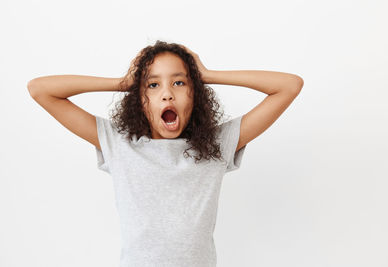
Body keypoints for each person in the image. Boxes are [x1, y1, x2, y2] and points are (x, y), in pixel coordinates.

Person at [27, 40, 304, 267]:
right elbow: (40, 90)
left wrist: (207, 75)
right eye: (153, 84)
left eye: (180, 83)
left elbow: (289, 86)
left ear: (196, 95)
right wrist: (123, 82)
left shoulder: (216, 145)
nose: (167, 95)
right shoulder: (120, 144)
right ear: (139, 99)